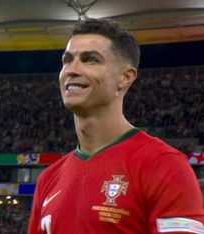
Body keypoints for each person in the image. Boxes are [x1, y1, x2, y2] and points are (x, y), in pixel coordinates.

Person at [28, 18, 204, 234]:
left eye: (89, 60)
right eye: (67, 60)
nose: (71, 70)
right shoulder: (48, 179)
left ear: (125, 77)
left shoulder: (164, 165)